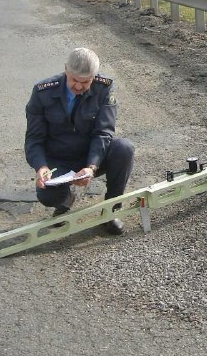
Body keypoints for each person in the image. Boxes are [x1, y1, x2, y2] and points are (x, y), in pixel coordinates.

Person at [25, 47, 134, 235]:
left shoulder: (104, 88)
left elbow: (103, 132)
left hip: (91, 156)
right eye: (74, 80)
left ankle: (111, 210)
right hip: (59, 158)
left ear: (94, 76)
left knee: (124, 148)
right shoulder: (42, 92)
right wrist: (41, 167)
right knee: (48, 196)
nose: (78, 86)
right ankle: (66, 199)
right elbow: (34, 138)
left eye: (85, 82)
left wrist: (92, 167)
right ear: (66, 69)